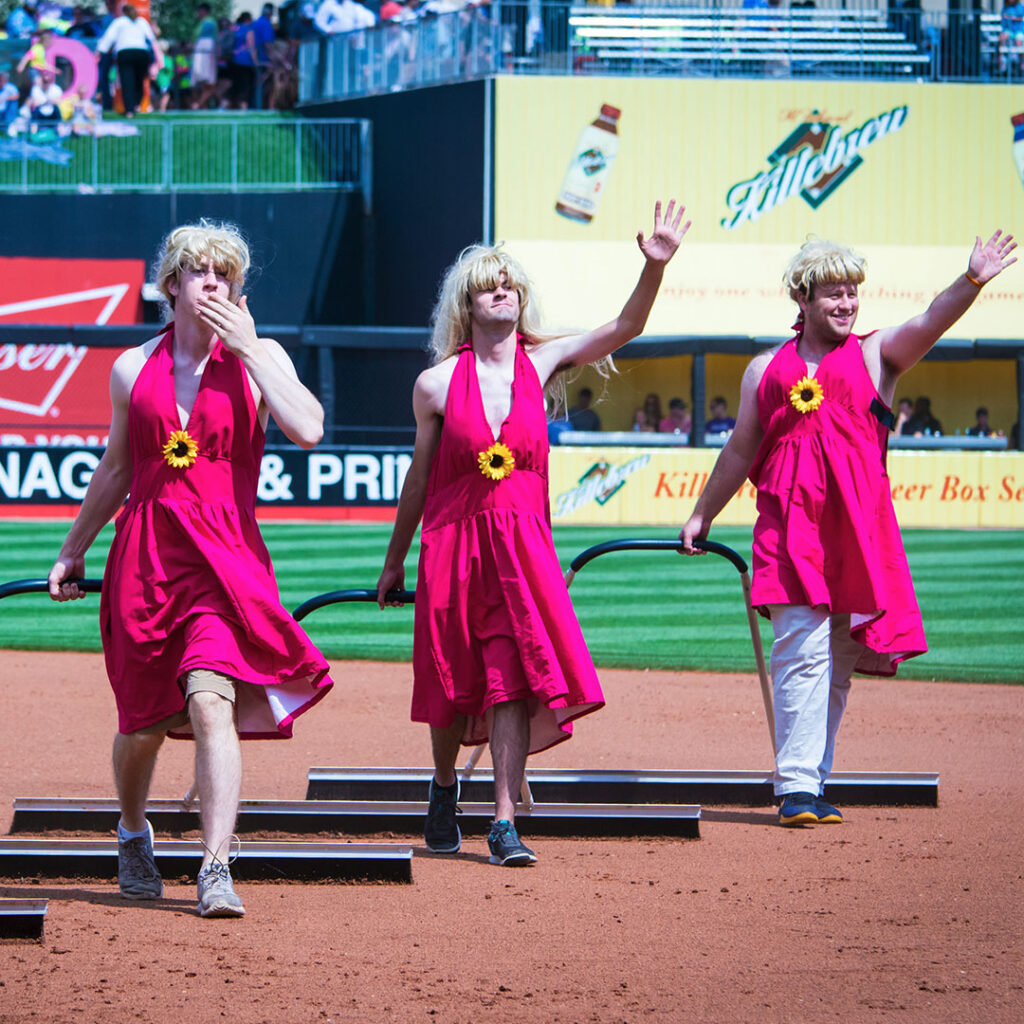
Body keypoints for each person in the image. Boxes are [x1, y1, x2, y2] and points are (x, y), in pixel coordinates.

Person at [376, 200, 689, 866]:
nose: (504, 291)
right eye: (492, 284)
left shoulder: (541, 362)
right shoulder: (433, 385)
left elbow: (626, 325)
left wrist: (654, 268)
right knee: (449, 683)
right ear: (467, 303)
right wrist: (395, 560)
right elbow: (418, 481)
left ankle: (504, 820)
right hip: (453, 549)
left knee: (511, 678)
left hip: (521, 551)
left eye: (512, 285)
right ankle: (441, 785)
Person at [680, 230, 1016, 828]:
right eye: (833, 293)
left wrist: (971, 281)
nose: (846, 304)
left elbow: (932, 320)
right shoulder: (764, 370)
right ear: (802, 299)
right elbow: (739, 450)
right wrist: (703, 512)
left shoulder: (875, 354)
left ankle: (805, 774)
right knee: (801, 652)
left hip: (859, 531)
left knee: (837, 658)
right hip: (789, 529)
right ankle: (798, 787)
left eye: (852, 293)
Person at [48, 221, 334, 918]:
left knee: (213, 701)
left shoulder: (259, 356)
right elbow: (117, 467)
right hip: (144, 559)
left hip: (225, 558)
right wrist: (73, 546)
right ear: (170, 284)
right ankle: (132, 829)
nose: (214, 283)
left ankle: (215, 865)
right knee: (143, 722)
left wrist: (250, 351)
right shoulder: (129, 368)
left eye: (226, 274)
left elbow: (310, 427)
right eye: (200, 271)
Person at [95, 3, 161, 118]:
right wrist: (157, 57)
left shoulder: (119, 22)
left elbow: (108, 38)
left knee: (127, 81)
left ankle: (130, 110)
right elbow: (152, 39)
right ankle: (136, 104)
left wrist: (99, 52)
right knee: (139, 80)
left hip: (125, 53)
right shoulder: (141, 22)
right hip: (141, 53)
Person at [190, 3, 219, 110]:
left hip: (206, 54)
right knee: (202, 83)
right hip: (200, 53)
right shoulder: (203, 23)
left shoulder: (209, 23)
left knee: (209, 83)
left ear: (204, 11)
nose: (198, 13)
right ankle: (202, 105)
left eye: (200, 11)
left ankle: (199, 104)